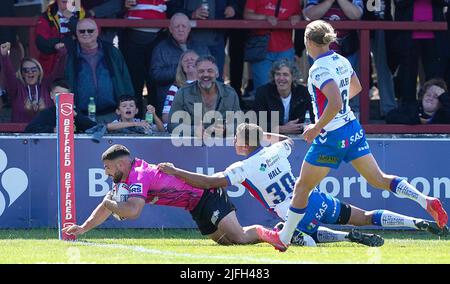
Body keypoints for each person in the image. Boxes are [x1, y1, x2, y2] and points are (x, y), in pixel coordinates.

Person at [257, 20, 448, 252]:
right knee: (379, 179)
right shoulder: (341, 60)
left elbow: (336, 102)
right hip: (352, 129)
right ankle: (424, 200)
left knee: (301, 188)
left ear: (308, 41)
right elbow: (356, 87)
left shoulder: (318, 68)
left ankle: (284, 238)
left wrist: (317, 126)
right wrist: (335, 102)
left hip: (331, 136)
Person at [158, 123, 449, 247]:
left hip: (293, 211)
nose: (233, 142)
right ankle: (416, 221)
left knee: (302, 239)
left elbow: (210, 182)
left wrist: (176, 171)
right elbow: (285, 141)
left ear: (244, 143)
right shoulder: (275, 149)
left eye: (236, 138)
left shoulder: (241, 167)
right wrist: (263, 136)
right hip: (316, 198)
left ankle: (345, 238)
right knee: (366, 216)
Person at [62, 144, 267, 245]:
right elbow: (106, 206)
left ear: (121, 164)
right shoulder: (126, 178)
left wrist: (109, 203)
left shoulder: (138, 175)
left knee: (239, 238)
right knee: (226, 243)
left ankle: (274, 233)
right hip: (195, 206)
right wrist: (83, 227)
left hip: (207, 194)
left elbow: (132, 211)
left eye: (107, 168)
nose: (106, 173)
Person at [65, 18, 135, 124]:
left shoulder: (112, 51)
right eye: (82, 31)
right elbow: (63, 84)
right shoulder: (70, 55)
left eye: (90, 30)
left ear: (97, 31)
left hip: (113, 115)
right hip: (82, 116)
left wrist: (128, 106)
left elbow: (125, 79)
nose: (86, 33)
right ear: (76, 33)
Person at [150, 13, 209, 116]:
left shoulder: (201, 47)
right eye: (177, 26)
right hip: (171, 102)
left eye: (184, 26)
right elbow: (155, 75)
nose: (180, 29)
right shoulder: (161, 48)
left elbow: (211, 70)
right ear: (170, 29)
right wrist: (181, 68)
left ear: (189, 28)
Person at [167, 55, 241, 136]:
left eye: (210, 71)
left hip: (221, 144)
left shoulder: (230, 93)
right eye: (201, 71)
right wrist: (194, 130)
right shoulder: (183, 93)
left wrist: (225, 129)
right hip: (192, 145)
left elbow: (239, 124)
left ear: (217, 74)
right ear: (196, 74)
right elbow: (171, 125)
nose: (206, 75)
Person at [119, 0, 167, 118]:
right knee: (135, 82)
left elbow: (174, 6)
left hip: (158, 37)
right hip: (131, 36)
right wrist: (122, 4)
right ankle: (135, 120)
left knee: (154, 82)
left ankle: (155, 120)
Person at [0, 41, 66, 123]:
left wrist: (62, 52)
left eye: (33, 70)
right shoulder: (17, 89)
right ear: (22, 74)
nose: (30, 72)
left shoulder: (46, 85)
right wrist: (4, 56)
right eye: (25, 70)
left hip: (45, 133)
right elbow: (8, 74)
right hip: (20, 133)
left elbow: (59, 71)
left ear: (39, 71)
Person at [243, 0, 301, 89]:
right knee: (263, 87)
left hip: (285, 48)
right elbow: (247, 14)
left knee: (285, 87)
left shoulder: (294, 1)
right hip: (261, 49)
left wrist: (296, 17)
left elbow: (298, 14)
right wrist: (265, 17)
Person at [253, 59, 314, 134]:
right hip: (271, 137)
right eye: (278, 74)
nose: (281, 78)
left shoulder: (304, 92)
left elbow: (313, 119)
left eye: (285, 74)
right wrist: (282, 129)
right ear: (273, 76)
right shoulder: (263, 92)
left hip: (299, 136)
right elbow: (257, 124)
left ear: (293, 77)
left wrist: (305, 126)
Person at [25, 79, 97, 133]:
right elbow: (29, 129)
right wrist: (53, 129)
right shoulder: (46, 113)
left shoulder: (75, 112)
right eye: (57, 94)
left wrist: (76, 116)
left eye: (64, 95)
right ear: (51, 95)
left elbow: (94, 128)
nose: (60, 98)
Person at [35, 0, 85, 74]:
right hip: (52, 69)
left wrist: (71, 19)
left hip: (79, 67)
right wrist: (71, 41)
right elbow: (42, 43)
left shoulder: (84, 15)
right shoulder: (46, 16)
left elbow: (87, 38)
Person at [386, 78, 450, 124]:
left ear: (441, 103)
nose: (430, 98)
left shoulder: (443, 114)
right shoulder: (412, 108)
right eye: (428, 95)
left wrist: (443, 96)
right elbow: (390, 117)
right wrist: (417, 120)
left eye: (435, 97)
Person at [162, 49, 199, 125]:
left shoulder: (210, 86)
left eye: (192, 59)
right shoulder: (175, 88)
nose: (189, 61)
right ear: (182, 67)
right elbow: (165, 116)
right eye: (185, 60)